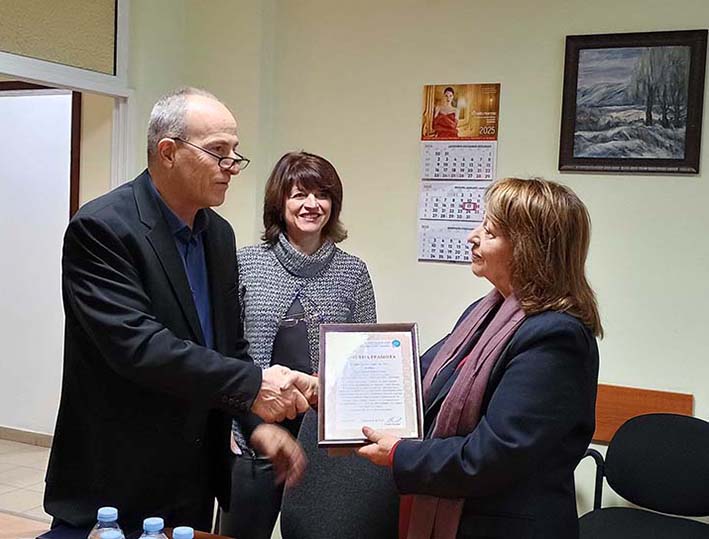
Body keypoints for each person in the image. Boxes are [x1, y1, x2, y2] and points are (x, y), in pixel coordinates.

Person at [43, 88, 317, 536]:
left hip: (192, 478)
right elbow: (139, 347)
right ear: (168, 152)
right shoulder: (102, 228)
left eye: (235, 151)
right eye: (218, 151)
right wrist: (254, 385)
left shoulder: (218, 236)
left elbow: (228, 346)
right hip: (115, 476)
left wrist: (254, 422)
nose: (232, 165)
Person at [357, 177, 602, 539]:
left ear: (528, 249)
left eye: (490, 232)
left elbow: (494, 454)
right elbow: (416, 375)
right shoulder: (485, 312)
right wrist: (333, 385)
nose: (472, 237)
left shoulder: (555, 337)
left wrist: (400, 454)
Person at [219, 152, 397, 539]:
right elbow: (226, 352)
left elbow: (364, 362)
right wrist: (231, 424)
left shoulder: (353, 272)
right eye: (299, 194)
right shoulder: (245, 264)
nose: (312, 205)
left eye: (322, 195)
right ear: (280, 202)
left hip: (323, 439)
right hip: (253, 430)